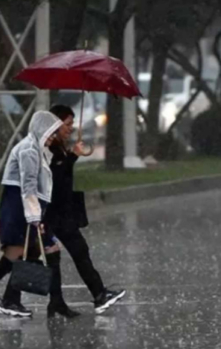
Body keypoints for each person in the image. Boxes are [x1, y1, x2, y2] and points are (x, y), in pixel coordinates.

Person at [0, 111, 63, 320]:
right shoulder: (29, 150)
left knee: (27, 254)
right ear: (41, 129)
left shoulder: (37, 149)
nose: (54, 137)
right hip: (19, 210)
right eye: (51, 132)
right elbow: (28, 185)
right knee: (14, 256)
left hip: (25, 209)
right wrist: (35, 217)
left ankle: (5, 299)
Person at [46, 104, 125, 315]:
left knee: (60, 257)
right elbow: (55, 178)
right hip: (54, 212)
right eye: (68, 123)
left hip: (61, 211)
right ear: (55, 123)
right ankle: (98, 294)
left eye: (72, 123)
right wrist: (72, 156)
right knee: (70, 253)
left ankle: (58, 302)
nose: (71, 128)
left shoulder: (59, 146)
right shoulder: (49, 147)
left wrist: (72, 154)